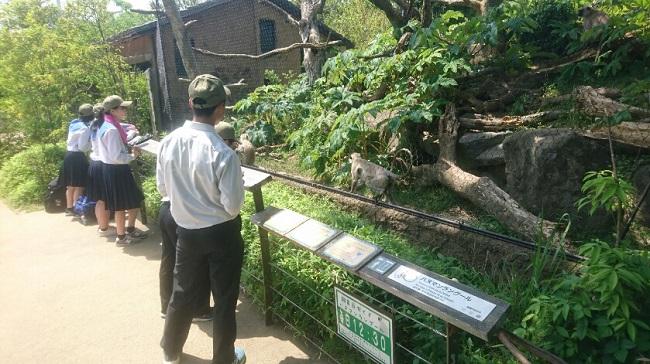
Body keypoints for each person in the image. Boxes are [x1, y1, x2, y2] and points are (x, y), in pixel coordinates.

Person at [157, 74, 246, 364]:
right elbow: (232, 207)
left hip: (186, 232)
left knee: (181, 292)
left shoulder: (168, 142)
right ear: (220, 109)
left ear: (190, 103)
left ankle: (171, 352)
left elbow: (163, 189)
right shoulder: (224, 153)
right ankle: (224, 358)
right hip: (222, 235)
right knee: (224, 299)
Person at [98, 95, 146, 245]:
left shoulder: (107, 124)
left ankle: (128, 231)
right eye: (122, 108)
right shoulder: (111, 129)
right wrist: (132, 155)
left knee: (131, 201)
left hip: (112, 169)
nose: (125, 110)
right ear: (113, 110)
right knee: (120, 206)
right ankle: (121, 237)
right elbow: (116, 156)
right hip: (116, 169)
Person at [158, 196, 213, 322]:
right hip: (185, 210)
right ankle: (198, 310)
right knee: (197, 262)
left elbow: (162, 187)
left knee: (169, 259)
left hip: (166, 207)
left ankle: (167, 306)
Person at [88, 104, 113, 236]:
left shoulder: (93, 124)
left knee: (100, 199)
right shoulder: (105, 126)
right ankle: (104, 228)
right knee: (103, 199)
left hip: (94, 163)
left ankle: (102, 226)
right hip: (101, 163)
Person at [63, 104, 93, 216]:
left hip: (68, 155)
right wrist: (92, 143)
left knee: (70, 185)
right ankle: (77, 208)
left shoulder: (74, 123)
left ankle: (69, 208)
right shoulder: (84, 128)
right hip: (77, 156)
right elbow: (82, 147)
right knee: (79, 185)